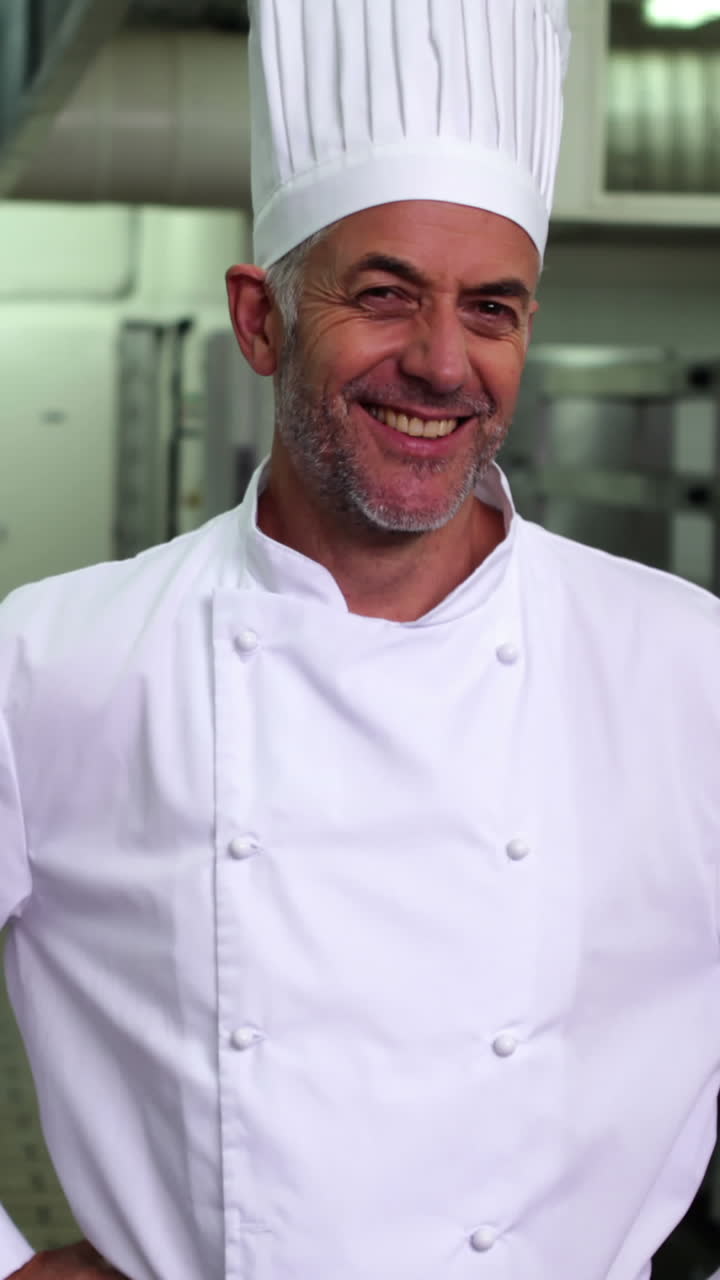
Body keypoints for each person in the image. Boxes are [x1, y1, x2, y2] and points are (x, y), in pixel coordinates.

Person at [2, 1, 720, 1277]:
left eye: (492, 309)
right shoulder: (58, 660)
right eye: (385, 295)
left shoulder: (684, 665)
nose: (443, 362)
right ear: (260, 317)